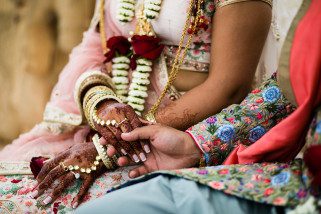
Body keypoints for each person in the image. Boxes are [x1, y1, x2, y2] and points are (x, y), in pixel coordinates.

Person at [0, 0, 293, 213]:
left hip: (178, 140)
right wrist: (102, 103)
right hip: (102, 126)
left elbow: (229, 87)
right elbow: (93, 42)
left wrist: (115, 144)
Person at [75, 0, 321, 212]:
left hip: (299, 187)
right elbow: (288, 94)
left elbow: (230, 88)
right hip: (146, 137)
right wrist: (195, 144)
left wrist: (117, 144)